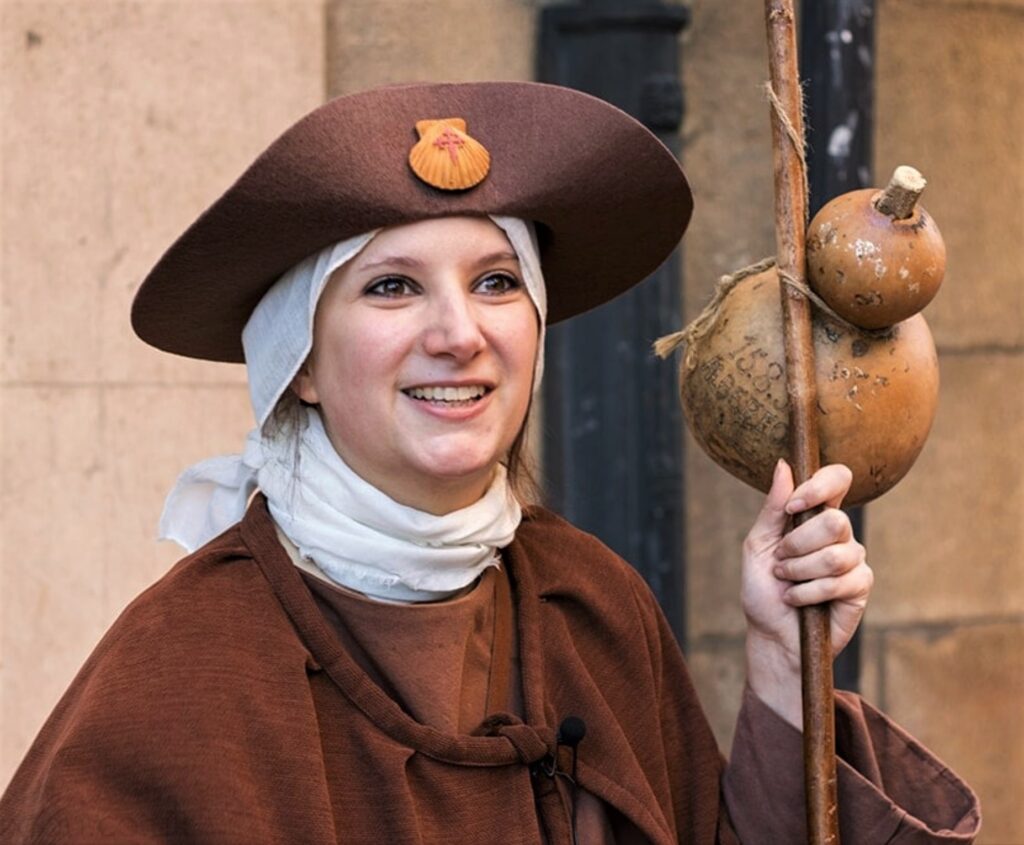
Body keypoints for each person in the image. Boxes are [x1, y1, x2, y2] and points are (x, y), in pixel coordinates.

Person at [0, 82, 979, 844]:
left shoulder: (592, 605)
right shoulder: (174, 673)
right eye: (391, 287)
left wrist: (779, 662)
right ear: (296, 365)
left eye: (496, 281)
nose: (458, 333)